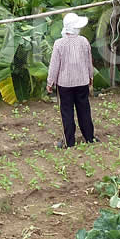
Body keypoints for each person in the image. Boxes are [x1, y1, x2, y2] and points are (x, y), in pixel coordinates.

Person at [47, 12, 96, 148]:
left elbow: (54, 65)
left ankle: (69, 142)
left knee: (67, 112)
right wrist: (90, 76)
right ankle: (89, 138)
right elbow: (88, 62)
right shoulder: (84, 41)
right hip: (82, 82)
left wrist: (50, 82)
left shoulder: (59, 44)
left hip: (65, 84)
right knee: (84, 110)